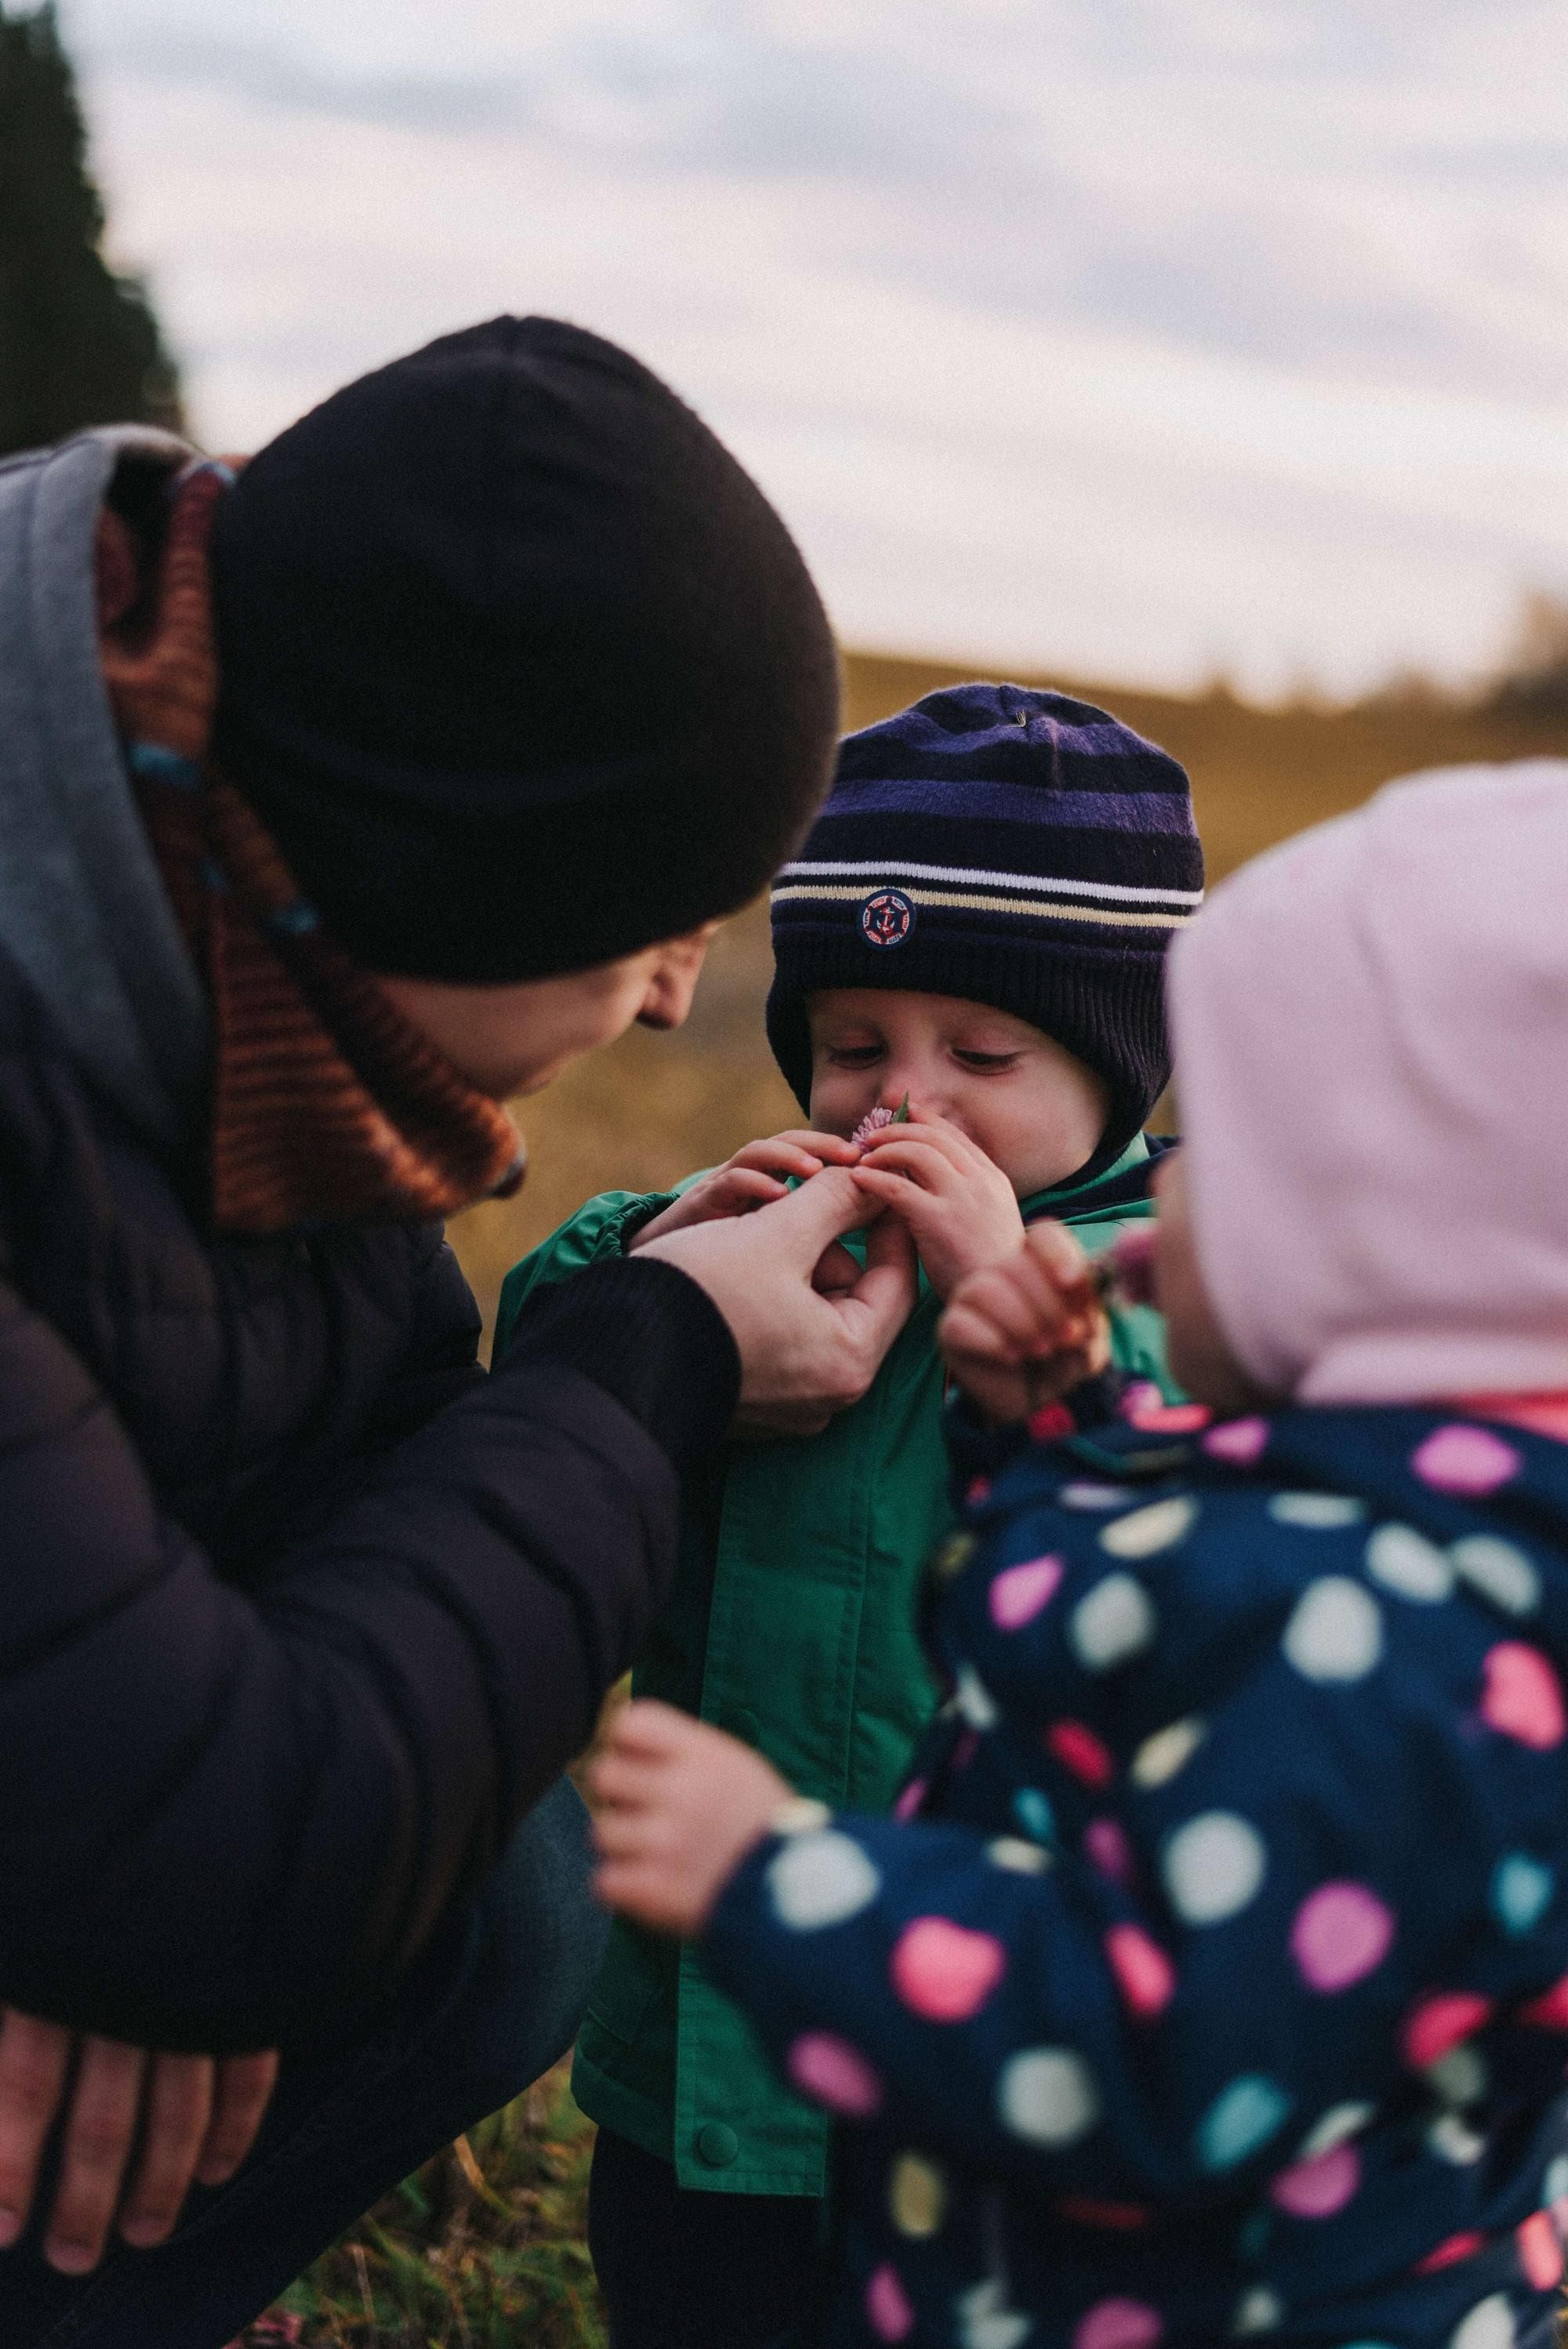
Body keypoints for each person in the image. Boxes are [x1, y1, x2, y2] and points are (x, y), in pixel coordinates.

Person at [0, 315, 918, 2347]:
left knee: (489, 1898)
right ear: (454, 879)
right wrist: (656, 1357)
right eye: (655, 918)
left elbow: (355, 1454)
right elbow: (240, 1849)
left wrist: (136, 1892)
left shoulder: (215, 929)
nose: (681, 1000)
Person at [593, 761, 1568, 2349]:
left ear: (1392, 1247)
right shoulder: (1418, 1543)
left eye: (1217, 1175)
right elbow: (1171, 1621)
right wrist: (1065, 1427)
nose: (1149, 1215)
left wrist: (784, 1878)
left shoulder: (1388, 1646)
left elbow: (1162, 2053)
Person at [499, 682, 1203, 2347]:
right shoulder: (748, 1234)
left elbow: (1183, 1524)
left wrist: (1023, 1308)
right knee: (686, 2296)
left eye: (982, 1054)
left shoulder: (1171, 1288)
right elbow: (535, 1392)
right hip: (697, 2041)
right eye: (853, 1041)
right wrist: (649, 1277)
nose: (908, 1100)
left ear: (1118, 1071)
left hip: (983, 2056)